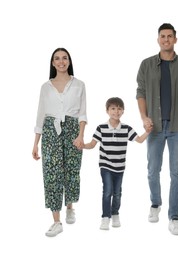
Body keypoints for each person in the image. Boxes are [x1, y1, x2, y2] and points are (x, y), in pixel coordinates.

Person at [136, 23, 178, 235]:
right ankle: (156, 204)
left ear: (175, 39)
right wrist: (144, 117)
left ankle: (174, 216)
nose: (166, 40)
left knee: (177, 173)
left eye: (169, 36)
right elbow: (141, 92)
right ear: (158, 39)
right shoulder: (146, 64)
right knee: (153, 171)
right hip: (154, 127)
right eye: (162, 36)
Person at [32, 47, 87, 237]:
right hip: (50, 130)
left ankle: (70, 205)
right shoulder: (45, 87)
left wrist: (81, 135)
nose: (61, 61)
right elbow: (40, 115)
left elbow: (82, 113)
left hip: (72, 128)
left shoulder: (79, 84)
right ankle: (56, 221)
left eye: (65, 58)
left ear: (69, 61)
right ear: (53, 63)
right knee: (52, 173)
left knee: (71, 170)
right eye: (57, 58)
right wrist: (35, 143)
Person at [77, 97, 152, 230]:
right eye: (113, 108)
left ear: (123, 111)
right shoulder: (101, 128)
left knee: (117, 192)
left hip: (120, 167)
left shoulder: (126, 129)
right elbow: (92, 144)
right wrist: (83, 146)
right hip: (105, 165)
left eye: (119, 109)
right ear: (107, 111)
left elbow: (139, 140)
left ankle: (115, 213)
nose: (116, 111)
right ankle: (105, 217)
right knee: (107, 191)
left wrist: (147, 131)